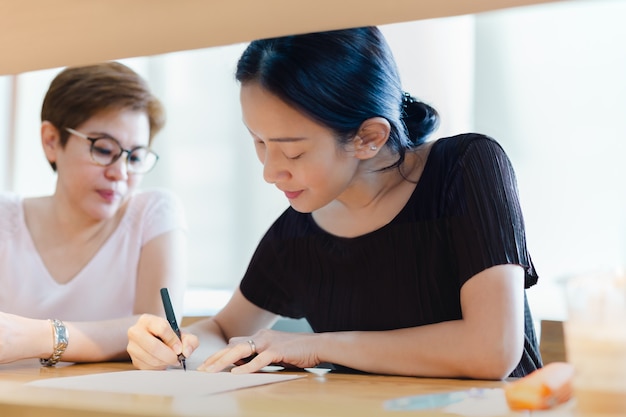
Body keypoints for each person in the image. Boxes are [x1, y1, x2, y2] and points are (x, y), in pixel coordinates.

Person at [127, 26, 542, 379]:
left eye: (292, 152)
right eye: (259, 142)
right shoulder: (296, 234)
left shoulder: (466, 166)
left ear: (369, 137)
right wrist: (178, 349)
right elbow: (223, 327)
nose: (270, 172)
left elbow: (492, 349)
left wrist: (319, 347)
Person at [0, 62, 187, 365]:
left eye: (135, 156)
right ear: (51, 141)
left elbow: (158, 333)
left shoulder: (153, 212)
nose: (120, 173)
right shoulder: (4, 218)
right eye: (103, 149)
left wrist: (35, 337)